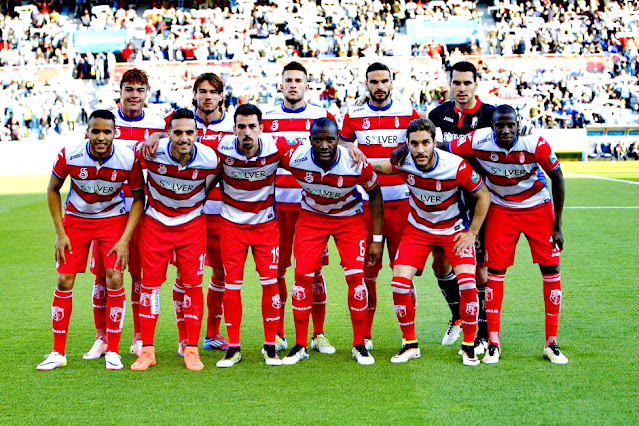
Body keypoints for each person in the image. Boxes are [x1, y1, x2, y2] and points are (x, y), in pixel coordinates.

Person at [447, 105, 567, 365]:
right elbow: (447, 149)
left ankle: (551, 343)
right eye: (499, 125)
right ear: (492, 127)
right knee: (495, 273)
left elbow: (557, 176)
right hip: (501, 209)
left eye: (509, 125)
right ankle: (493, 343)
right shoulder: (478, 140)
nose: (504, 130)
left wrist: (557, 224)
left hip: (538, 207)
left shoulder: (534, 143)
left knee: (551, 269)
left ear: (517, 124)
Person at [374, 118, 490, 366]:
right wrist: (357, 161)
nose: (420, 149)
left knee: (468, 286)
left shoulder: (455, 166)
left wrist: (472, 233)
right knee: (399, 284)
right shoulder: (403, 162)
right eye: (414, 143)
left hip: (453, 230)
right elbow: (380, 168)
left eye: (426, 142)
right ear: (407, 144)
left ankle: (469, 346)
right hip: (418, 230)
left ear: (434, 143)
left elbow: (483, 196)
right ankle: (410, 344)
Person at [37, 109, 144, 371]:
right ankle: (58, 352)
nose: (101, 136)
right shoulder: (69, 154)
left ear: (115, 133)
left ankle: (114, 351)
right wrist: (60, 232)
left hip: (112, 220)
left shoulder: (127, 159)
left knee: (115, 277)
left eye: (107, 131)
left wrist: (124, 239)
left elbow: (139, 198)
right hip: (76, 220)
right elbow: (53, 189)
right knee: (64, 279)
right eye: (95, 131)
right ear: (87, 132)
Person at [279, 117, 384, 366]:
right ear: (310, 140)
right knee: (302, 278)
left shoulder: (355, 163)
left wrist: (377, 239)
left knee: (356, 277)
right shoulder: (295, 157)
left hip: (349, 219)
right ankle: (301, 344)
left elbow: (376, 194)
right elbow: (266, 150)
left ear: (339, 140)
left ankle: (359, 344)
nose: (324, 145)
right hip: (311, 218)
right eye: (318, 139)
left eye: (330, 139)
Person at [84, 69, 166, 361]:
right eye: (129, 88)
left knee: (140, 277)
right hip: (108, 214)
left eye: (140, 89)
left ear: (147, 92)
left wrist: (159, 133)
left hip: (147, 212)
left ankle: (139, 337)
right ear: (120, 91)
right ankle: (102, 338)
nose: (134, 95)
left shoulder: (158, 122)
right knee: (104, 276)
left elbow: (181, 131)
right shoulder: (106, 122)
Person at [340, 62, 421, 350]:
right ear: (366, 84)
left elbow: (424, 134)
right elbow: (341, 140)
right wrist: (348, 147)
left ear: (392, 82)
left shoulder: (406, 110)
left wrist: (402, 150)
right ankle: (365, 335)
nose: (379, 86)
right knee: (366, 272)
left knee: (403, 272)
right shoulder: (354, 114)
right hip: (365, 205)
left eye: (383, 81)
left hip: (401, 203)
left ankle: (408, 335)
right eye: (373, 82)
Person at [131, 108, 220, 371]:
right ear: (168, 133)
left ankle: (191, 349)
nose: (184, 138)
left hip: (192, 226)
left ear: (198, 134)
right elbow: (131, 161)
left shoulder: (209, 158)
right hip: (155, 225)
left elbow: (218, 175)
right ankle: (147, 350)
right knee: (149, 286)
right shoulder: (149, 151)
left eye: (189, 133)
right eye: (178, 132)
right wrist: (155, 135)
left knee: (193, 286)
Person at [262, 61, 338, 355]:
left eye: (298, 80)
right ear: (280, 85)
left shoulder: (322, 116)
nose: (293, 84)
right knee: (277, 271)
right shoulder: (266, 119)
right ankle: (279, 332)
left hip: (313, 209)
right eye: (288, 80)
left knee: (313, 273)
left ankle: (318, 333)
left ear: (307, 85)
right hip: (277, 208)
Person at [213, 104, 295, 368]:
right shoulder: (220, 147)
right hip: (231, 226)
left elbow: (313, 152)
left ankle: (270, 347)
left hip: (265, 227)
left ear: (262, 128)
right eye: (241, 126)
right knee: (232, 285)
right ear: (233, 128)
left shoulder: (277, 147)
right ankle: (233, 348)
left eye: (251, 126)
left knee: (270, 284)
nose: (246, 132)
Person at [426, 61, 496, 349]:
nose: (462, 88)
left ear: (476, 83)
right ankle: (457, 315)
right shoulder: (437, 115)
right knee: (440, 263)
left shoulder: (491, 115)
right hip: (447, 202)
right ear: (449, 83)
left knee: (480, 268)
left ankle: (481, 333)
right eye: (457, 83)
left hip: (481, 200)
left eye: (467, 83)